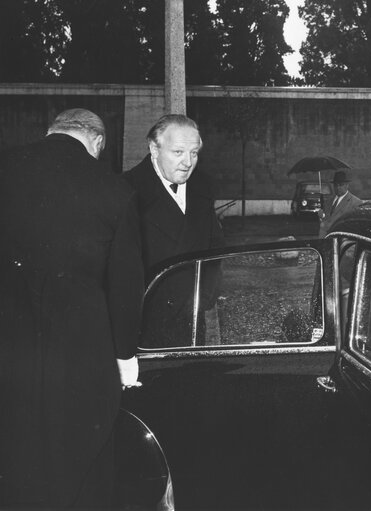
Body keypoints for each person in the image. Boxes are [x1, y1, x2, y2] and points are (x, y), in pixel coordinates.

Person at [0, 108, 144, 508]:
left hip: (8, 344)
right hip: (81, 352)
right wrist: (125, 358)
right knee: (78, 458)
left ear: (51, 132)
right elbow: (125, 285)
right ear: (97, 142)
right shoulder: (115, 191)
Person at [123, 114, 224, 347]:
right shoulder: (126, 190)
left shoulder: (203, 185)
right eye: (178, 152)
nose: (188, 162)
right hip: (144, 324)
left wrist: (204, 297)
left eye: (194, 153)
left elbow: (215, 247)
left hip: (191, 319)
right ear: (154, 150)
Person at [318, 170, 363, 238]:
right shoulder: (328, 201)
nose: (338, 188)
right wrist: (321, 217)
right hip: (324, 239)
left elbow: (356, 227)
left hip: (341, 240)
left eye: (341, 185)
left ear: (347, 185)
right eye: (335, 185)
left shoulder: (355, 202)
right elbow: (325, 220)